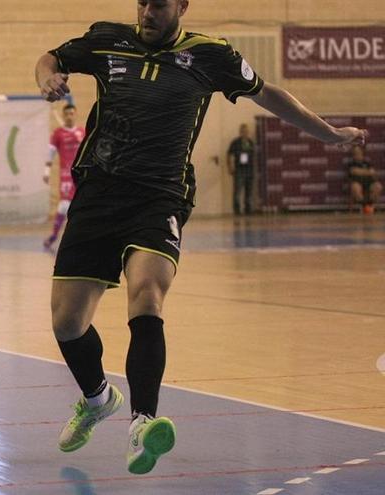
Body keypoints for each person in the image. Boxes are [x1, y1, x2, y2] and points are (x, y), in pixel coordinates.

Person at [34, 0, 367, 475]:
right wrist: (45, 77)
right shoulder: (108, 40)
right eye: (142, 2)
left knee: (146, 294)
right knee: (67, 323)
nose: (148, 11)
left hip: (161, 197)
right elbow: (51, 58)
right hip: (99, 194)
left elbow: (268, 94)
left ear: (182, 6)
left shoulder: (211, 56)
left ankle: (142, 422)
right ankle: (97, 398)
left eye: (159, 4)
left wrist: (329, 135)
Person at [44, 104, 86, 252]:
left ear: (75, 115)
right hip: (66, 175)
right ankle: (54, 236)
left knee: (83, 207)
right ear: (63, 115)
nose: (69, 116)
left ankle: (83, 237)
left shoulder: (82, 132)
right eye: (67, 114)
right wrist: (47, 171)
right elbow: (50, 153)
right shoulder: (58, 134)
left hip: (82, 174)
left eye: (72, 114)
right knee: (64, 206)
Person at [227, 123, 256, 215]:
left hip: (249, 170)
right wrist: (230, 167)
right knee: (237, 191)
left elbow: (254, 156)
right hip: (239, 169)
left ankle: (248, 210)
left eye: (246, 131)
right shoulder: (235, 143)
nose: (245, 133)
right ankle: (237, 211)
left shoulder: (250, 142)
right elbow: (229, 155)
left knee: (249, 191)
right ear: (240, 132)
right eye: (243, 131)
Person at [347, 145, 381, 214]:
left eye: (358, 153)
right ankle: (364, 205)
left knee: (378, 186)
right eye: (355, 153)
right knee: (355, 187)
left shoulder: (367, 163)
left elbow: (373, 172)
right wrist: (367, 172)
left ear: (362, 153)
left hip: (369, 182)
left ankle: (370, 204)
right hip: (357, 183)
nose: (357, 155)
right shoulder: (351, 163)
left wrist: (360, 172)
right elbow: (353, 171)